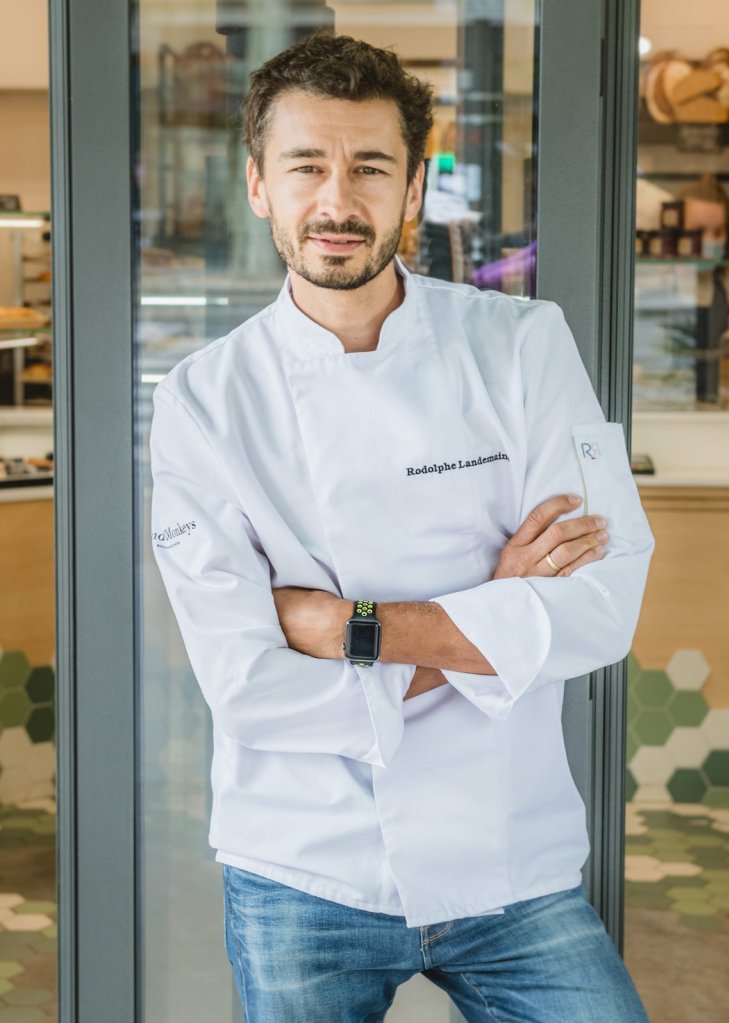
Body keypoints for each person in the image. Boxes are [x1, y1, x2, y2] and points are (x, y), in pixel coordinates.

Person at [150, 31, 654, 1023]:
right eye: (306, 166)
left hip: (509, 858)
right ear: (258, 185)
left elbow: (601, 605)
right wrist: (498, 615)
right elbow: (249, 691)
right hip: (302, 865)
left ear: (414, 188)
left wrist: (353, 629)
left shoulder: (521, 347)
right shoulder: (202, 401)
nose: (337, 202)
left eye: (371, 167)